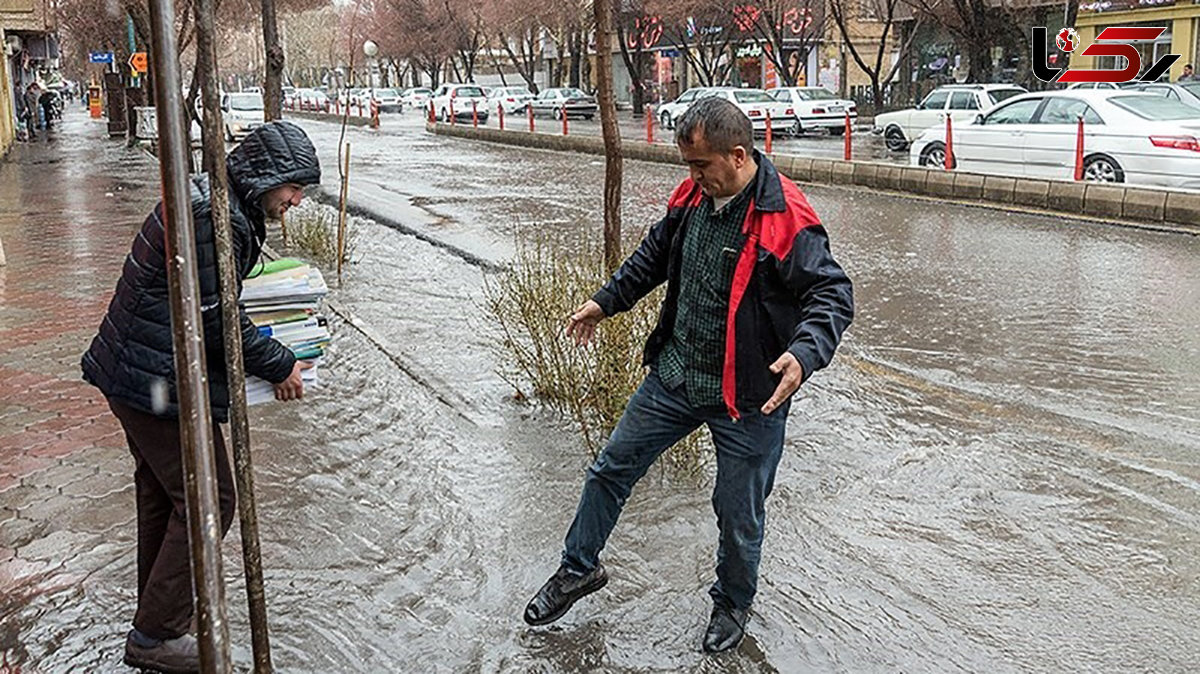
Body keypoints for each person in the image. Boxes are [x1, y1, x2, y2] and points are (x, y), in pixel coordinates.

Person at [523, 97, 854, 653]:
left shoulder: (785, 218)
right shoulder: (693, 194)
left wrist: (804, 352)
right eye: (688, 166)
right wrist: (606, 302)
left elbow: (831, 294)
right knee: (610, 468)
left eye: (701, 165)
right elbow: (654, 256)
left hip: (748, 397)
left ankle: (732, 604)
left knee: (737, 511)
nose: (692, 176)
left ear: (738, 155)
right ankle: (579, 568)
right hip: (676, 375)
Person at [81, 121, 321, 673]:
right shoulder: (214, 216)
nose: (295, 200)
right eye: (293, 187)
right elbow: (217, 323)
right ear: (267, 176)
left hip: (140, 371)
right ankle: (156, 634)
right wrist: (282, 363)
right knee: (211, 498)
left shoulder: (216, 198)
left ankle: (158, 615)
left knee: (166, 496)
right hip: (155, 379)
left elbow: (212, 303)